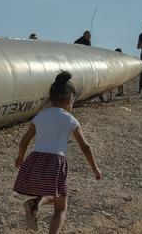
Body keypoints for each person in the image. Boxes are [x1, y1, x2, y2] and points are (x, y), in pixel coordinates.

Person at [13, 71, 102, 233]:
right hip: (56, 163)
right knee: (61, 207)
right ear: (69, 100)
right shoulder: (70, 119)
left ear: (51, 97)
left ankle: (35, 204)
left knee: (54, 194)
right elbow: (85, 147)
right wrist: (95, 168)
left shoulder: (40, 116)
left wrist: (20, 158)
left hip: (36, 160)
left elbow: (24, 141)